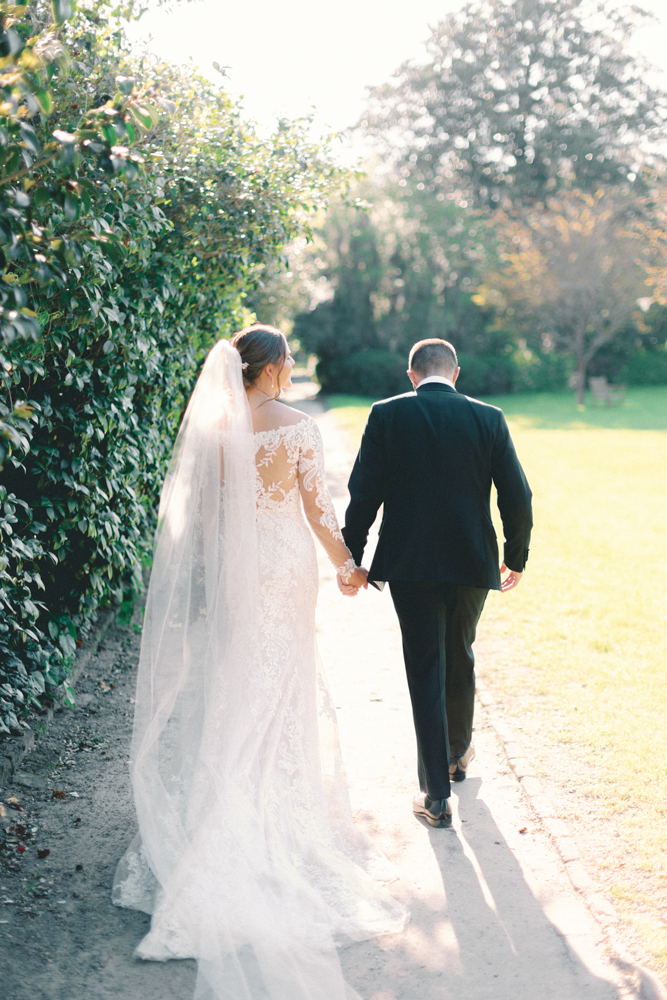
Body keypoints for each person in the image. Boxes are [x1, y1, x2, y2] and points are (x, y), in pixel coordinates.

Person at [112, 326, 406, 1000]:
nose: (294, 366)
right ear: (271, 367)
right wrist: (347, 567)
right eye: (290, 360)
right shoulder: (296, 427)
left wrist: (216, 575)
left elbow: (203, 517)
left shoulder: (212, 432)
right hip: (280, 571)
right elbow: (317, 509)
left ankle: (223, 809)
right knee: (279, 687)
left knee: (236, 683)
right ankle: (268, 820)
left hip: (234, 574)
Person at [340, 338, 533, 829]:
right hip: (473, 562)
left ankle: (436, 796)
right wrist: (516, 558)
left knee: (426, 666)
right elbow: (519, 496)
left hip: (409, 564)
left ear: (411, 374)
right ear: (456, 373)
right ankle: (456, 754)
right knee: (460, 652)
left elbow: (364, 493)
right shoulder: (488, 417)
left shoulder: (386, 415)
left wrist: (352, 557)